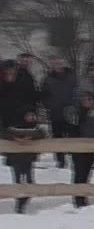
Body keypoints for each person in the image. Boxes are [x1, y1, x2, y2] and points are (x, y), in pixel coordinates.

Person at [1, 61, 44, 214]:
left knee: (28, 172)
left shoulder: (24, 87)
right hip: (11, 134)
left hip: (26, 133)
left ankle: (26, 195)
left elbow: (33, 113)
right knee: (17, 172)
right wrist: (10, 136)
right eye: (8, 71)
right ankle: (20, 201)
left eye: (13, 71)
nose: (11, 74)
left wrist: (31, 130)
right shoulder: (3, 90)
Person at [64, 91, 94, 208]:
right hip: (79, 147)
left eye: (91, 99)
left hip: (91, 147)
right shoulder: (75, 113)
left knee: (86, 173)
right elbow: (72, 129)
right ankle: (78, 198)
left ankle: (83, 196)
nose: (89, 101)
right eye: (87, 99)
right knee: (79, 173)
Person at [41, 58, 78, 168]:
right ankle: (60, 161)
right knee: (57, 137)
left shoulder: (72, 77)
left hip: (71, 113)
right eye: (56, 64)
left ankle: (74, 159)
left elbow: (78, 92)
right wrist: (49, 105)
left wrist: (75, 107)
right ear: (53, 66)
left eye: (60, 63)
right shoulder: (48, 79)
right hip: (55, 113)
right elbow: (43, 95)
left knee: (73, 137)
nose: (58, 65)